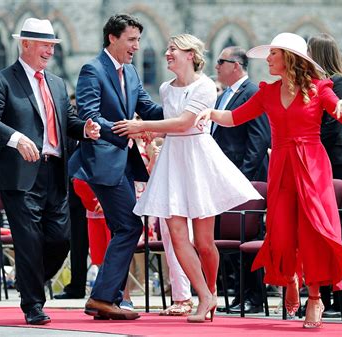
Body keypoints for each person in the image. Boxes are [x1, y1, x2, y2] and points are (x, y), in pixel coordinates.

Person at [195, 32, 342, 328]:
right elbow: (235, 117)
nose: (267, 59)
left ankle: (315, 297)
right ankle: (291, 276)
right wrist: (209, 113)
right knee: (281, 231)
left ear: (289, 58)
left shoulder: (320, 88)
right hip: (281, 166)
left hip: (312, 167)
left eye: (273, 54)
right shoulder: (267, 92)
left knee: (314, 231)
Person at [112, 33, 262, 323]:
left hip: (198, 160)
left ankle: (211, 291)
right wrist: (151, 131)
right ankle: (204, 296)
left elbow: (184, 123)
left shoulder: (206, 86)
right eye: (167, 48)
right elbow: (171, 127)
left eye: (173, 49)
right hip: (173, 160)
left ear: (191, 55)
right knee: (177, 234)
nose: (167, 53)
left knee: (205, 241)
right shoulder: (166, 89)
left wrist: (141, 124)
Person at [0, 18, 100, 325]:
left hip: (55, 172)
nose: (49, 51)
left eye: (52, 46)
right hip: (19, 175)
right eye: (44, 45)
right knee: (29, 239)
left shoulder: (58, 84)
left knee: (61, 239)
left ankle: (27, 281)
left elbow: (67, 121)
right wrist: (15, 139)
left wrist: (85, 128)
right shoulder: (3, 80)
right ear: (26, 44)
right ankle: (33, 304)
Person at [68, 13, 163, 320]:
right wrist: (129, 129)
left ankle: (104, 299)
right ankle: (103, 298)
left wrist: (184, 105)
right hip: (99, 163)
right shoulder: (92, 70)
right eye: (131, 40)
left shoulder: (132, 73)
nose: (136, 46)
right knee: (128, 226)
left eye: (138, 40)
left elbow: (148, 109)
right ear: (113, 38)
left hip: (121, 163)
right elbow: (90, 115)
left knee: (125, 226)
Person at [212, 46, 270, 314]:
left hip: (244, 179)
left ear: (235, 65)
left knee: (249, 237)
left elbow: (258, 140)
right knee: (232, 240)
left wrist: (243, 177)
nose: (216, 67)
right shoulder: (225, 95)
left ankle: (254, 297)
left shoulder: (252, 93)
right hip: (223, 178)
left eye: (220, 62)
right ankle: (239, 294)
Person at [307, 33, 342, 318]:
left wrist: (310, 143)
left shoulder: (339, 82)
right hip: (317, 160)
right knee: (318, 231)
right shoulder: (314, 83)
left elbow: (335, 122)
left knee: (337, 231)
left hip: (332, 160)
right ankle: (321, 295)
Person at [54, 93, 89, 300]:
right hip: (72, 198)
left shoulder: (91, 132)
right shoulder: (65, 134)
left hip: (93, 197)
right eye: (72, 109)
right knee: (76, 244)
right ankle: (77, 285)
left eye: (78, 109)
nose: (75, 113)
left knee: (101, 246)